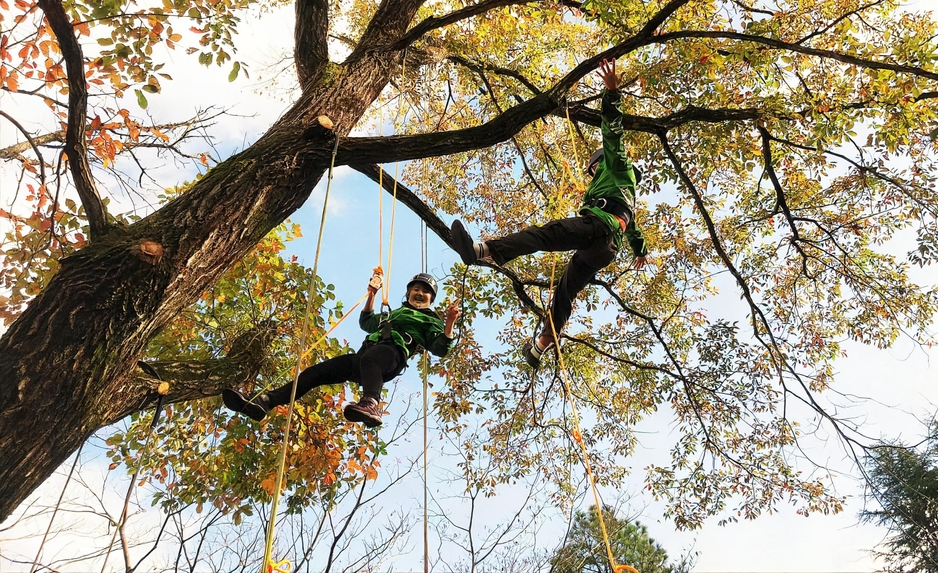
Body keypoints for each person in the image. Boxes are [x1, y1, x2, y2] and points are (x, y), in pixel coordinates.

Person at [450, 58, 648, 369]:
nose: (591, 171)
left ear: (600, 163)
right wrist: (641, 251)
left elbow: (613, 134)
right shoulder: (624, 192)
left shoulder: (617, 166)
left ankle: (484, 251)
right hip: (604, 249)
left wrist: (611, 93)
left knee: (546, 235)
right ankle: (542, 344)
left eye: (592, 166)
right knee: (565, 292)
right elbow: (633, 229)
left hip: (597, 228)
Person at [222, 271, 459, 428]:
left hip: (392, 354)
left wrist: (448, 323)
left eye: (425, 292)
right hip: (366, 356)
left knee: (372, 360)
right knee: (314, 373)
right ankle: (266, 401)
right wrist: (372, 296)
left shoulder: (431, 320)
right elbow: (366, 323)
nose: (420, 293)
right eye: (416, 289)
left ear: (431, 299)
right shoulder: (393, 313)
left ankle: (371, 403)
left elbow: (440, 348)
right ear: (408, 293)